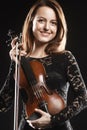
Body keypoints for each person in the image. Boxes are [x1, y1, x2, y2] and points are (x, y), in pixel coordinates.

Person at [0, 0, 87, 130]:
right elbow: (3, 104)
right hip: (28, 127)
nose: (47, 27)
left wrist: (53, 120)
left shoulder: (65, 57)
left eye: (53, 23)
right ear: (31, 22)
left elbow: (83, 97)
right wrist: (15, 63)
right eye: (41, 20)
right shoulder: (21, 59)